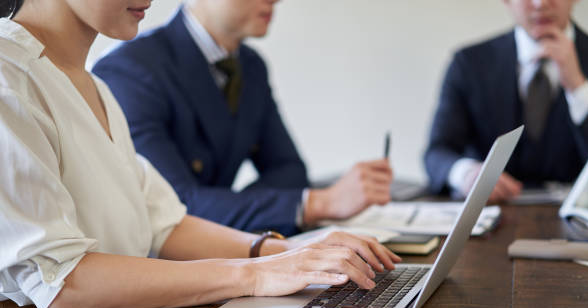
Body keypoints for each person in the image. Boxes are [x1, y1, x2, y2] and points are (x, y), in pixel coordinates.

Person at [0, 0, 400, 308]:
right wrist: (256, 275)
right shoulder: (8, 76)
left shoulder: (94, 85)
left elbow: (164, 225)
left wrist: (301, 255)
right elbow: (62, 283)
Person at [92, 0, 394, 236]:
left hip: (224, 257)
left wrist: (220, 207)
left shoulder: (251, 66)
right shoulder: (130, 69)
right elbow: (173, 209)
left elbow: (289, 170)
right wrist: (318, 203)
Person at [424, 0, 588, 202]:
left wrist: (578, 87)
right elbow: (438, 152)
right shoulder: (469, 63)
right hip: (490, 217)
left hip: (582, 225)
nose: (540, 4)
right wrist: (466, 174)